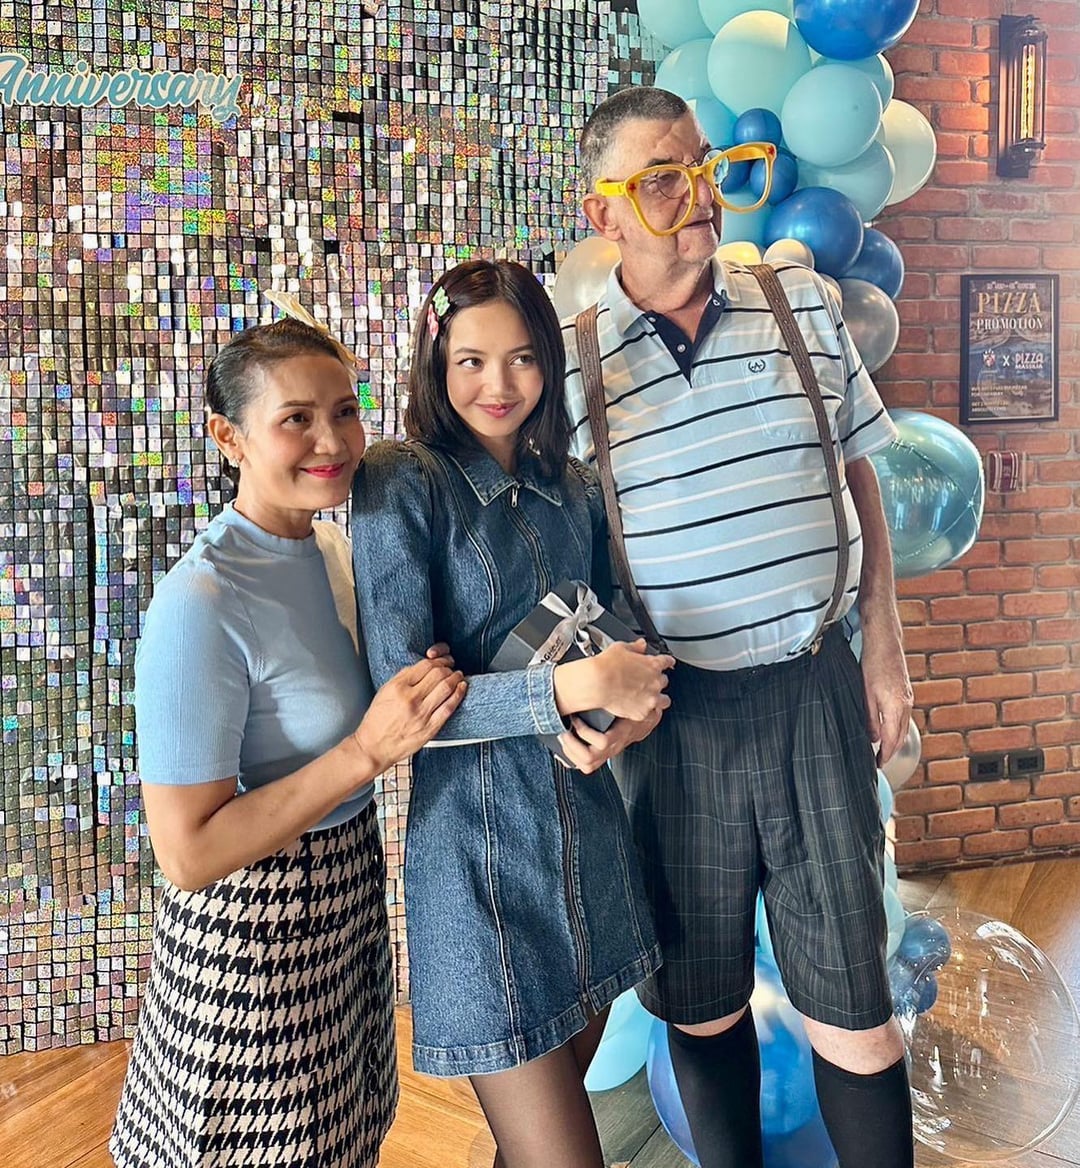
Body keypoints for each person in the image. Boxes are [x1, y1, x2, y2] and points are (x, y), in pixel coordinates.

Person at [561, 86, 916, 1168]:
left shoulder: (799, 302)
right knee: (701, 1003)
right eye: (663, 180)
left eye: (707, 167)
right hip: (677, 721)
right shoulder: (573, 364)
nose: (702, 195)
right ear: (604, 213)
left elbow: (858, 475)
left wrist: (885, 643)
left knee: (856, 1008)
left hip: (814, 688)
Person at [110, 318, 467, 1168]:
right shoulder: (200, 600)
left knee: (348, 1135)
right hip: (251, 930)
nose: (332, 442)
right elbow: (187, 854)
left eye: (345, 412)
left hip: (346, 897)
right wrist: (367, 751)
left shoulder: (335, 546)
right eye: (296, 419)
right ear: (227, 436)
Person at [351, 258, 674, 1168]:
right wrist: (576, 687)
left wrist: (633, 711)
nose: (498, 384)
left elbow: (626, 629)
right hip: (479, 868)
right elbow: (407, 708)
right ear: (436, 363)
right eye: (471, 360)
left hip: (591, 849)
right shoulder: (401, 481)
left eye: (523, 358)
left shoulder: (574, 486)